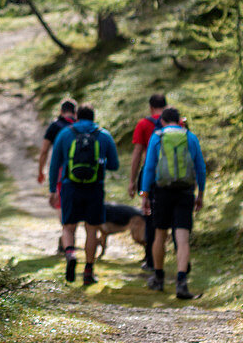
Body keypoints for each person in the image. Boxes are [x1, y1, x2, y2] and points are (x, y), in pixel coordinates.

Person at [139, 106, 206, 300]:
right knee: (182, 238)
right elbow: (200, 168)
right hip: (185, 192)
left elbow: (149, 167)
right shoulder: (190, 137)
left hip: (162, 192)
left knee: (160, 234)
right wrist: (200, 193)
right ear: (179, 121)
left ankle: (159, 278)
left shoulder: (157, 137)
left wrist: (145, 195)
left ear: (162, 121)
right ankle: (181, 282)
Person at [48, 104, 119, 286]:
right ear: (93, 117)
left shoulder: (65, 134)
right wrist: (100, 161)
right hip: (95, 188)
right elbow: (114, 165)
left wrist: (52, 190)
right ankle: (88, 271)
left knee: (68, 227)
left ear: (77, 117)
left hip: (70, 187)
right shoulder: (103, 135)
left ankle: (70, 254)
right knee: (91, 230)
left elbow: (55, 163)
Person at [128, 93, 167, 271]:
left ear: (151, 107)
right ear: (166, 107)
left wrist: (132, 180)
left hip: (150, 174)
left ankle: (151, 259)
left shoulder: (144, 124)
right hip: (174, 176)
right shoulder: (178, 123)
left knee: (150, 216)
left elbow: (137, 153)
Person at [38, 98, 77, 254]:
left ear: (61, 112)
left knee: (61, 205)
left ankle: (65, 240)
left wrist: (41, 170)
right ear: (75, 112)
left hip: (61, 172)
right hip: (80, 172)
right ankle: (68, 239)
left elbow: (44, 150)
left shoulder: (55, 126)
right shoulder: (79, 126)